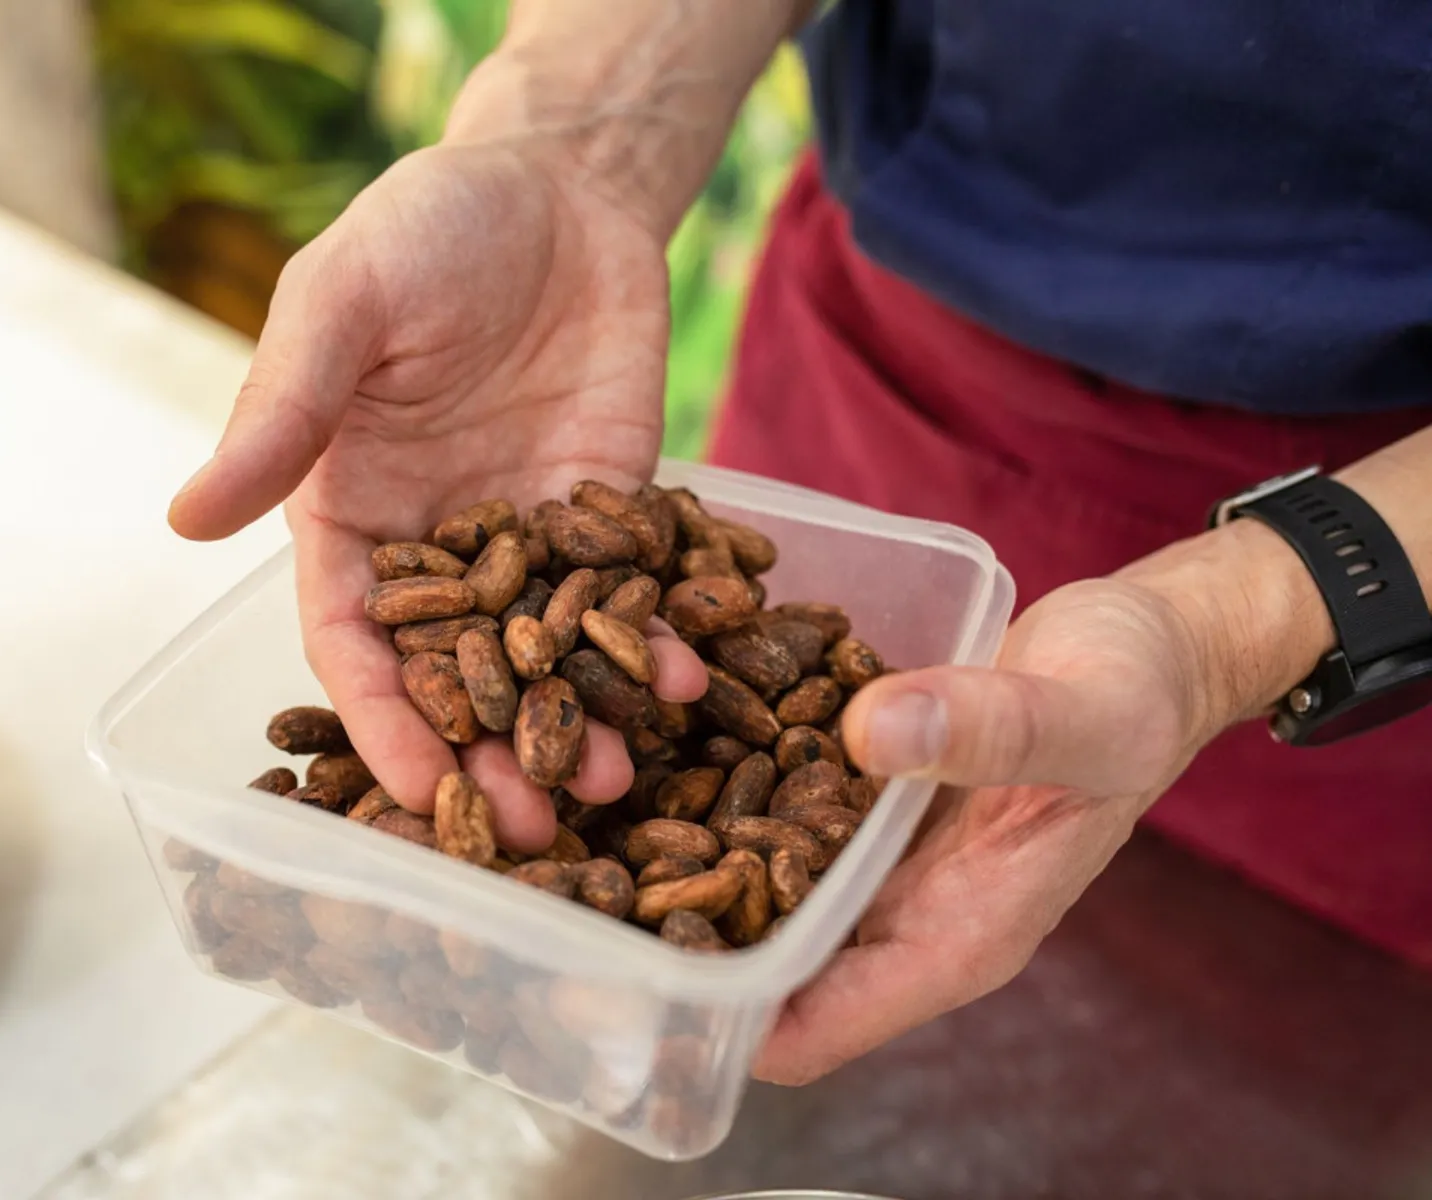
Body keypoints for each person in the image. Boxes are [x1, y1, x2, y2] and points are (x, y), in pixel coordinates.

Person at [168, 0, 1432, 1085]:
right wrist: (573, 144)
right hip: (886, 365)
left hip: (1379, 576)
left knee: (1289, 1063)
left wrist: (1240, 623)